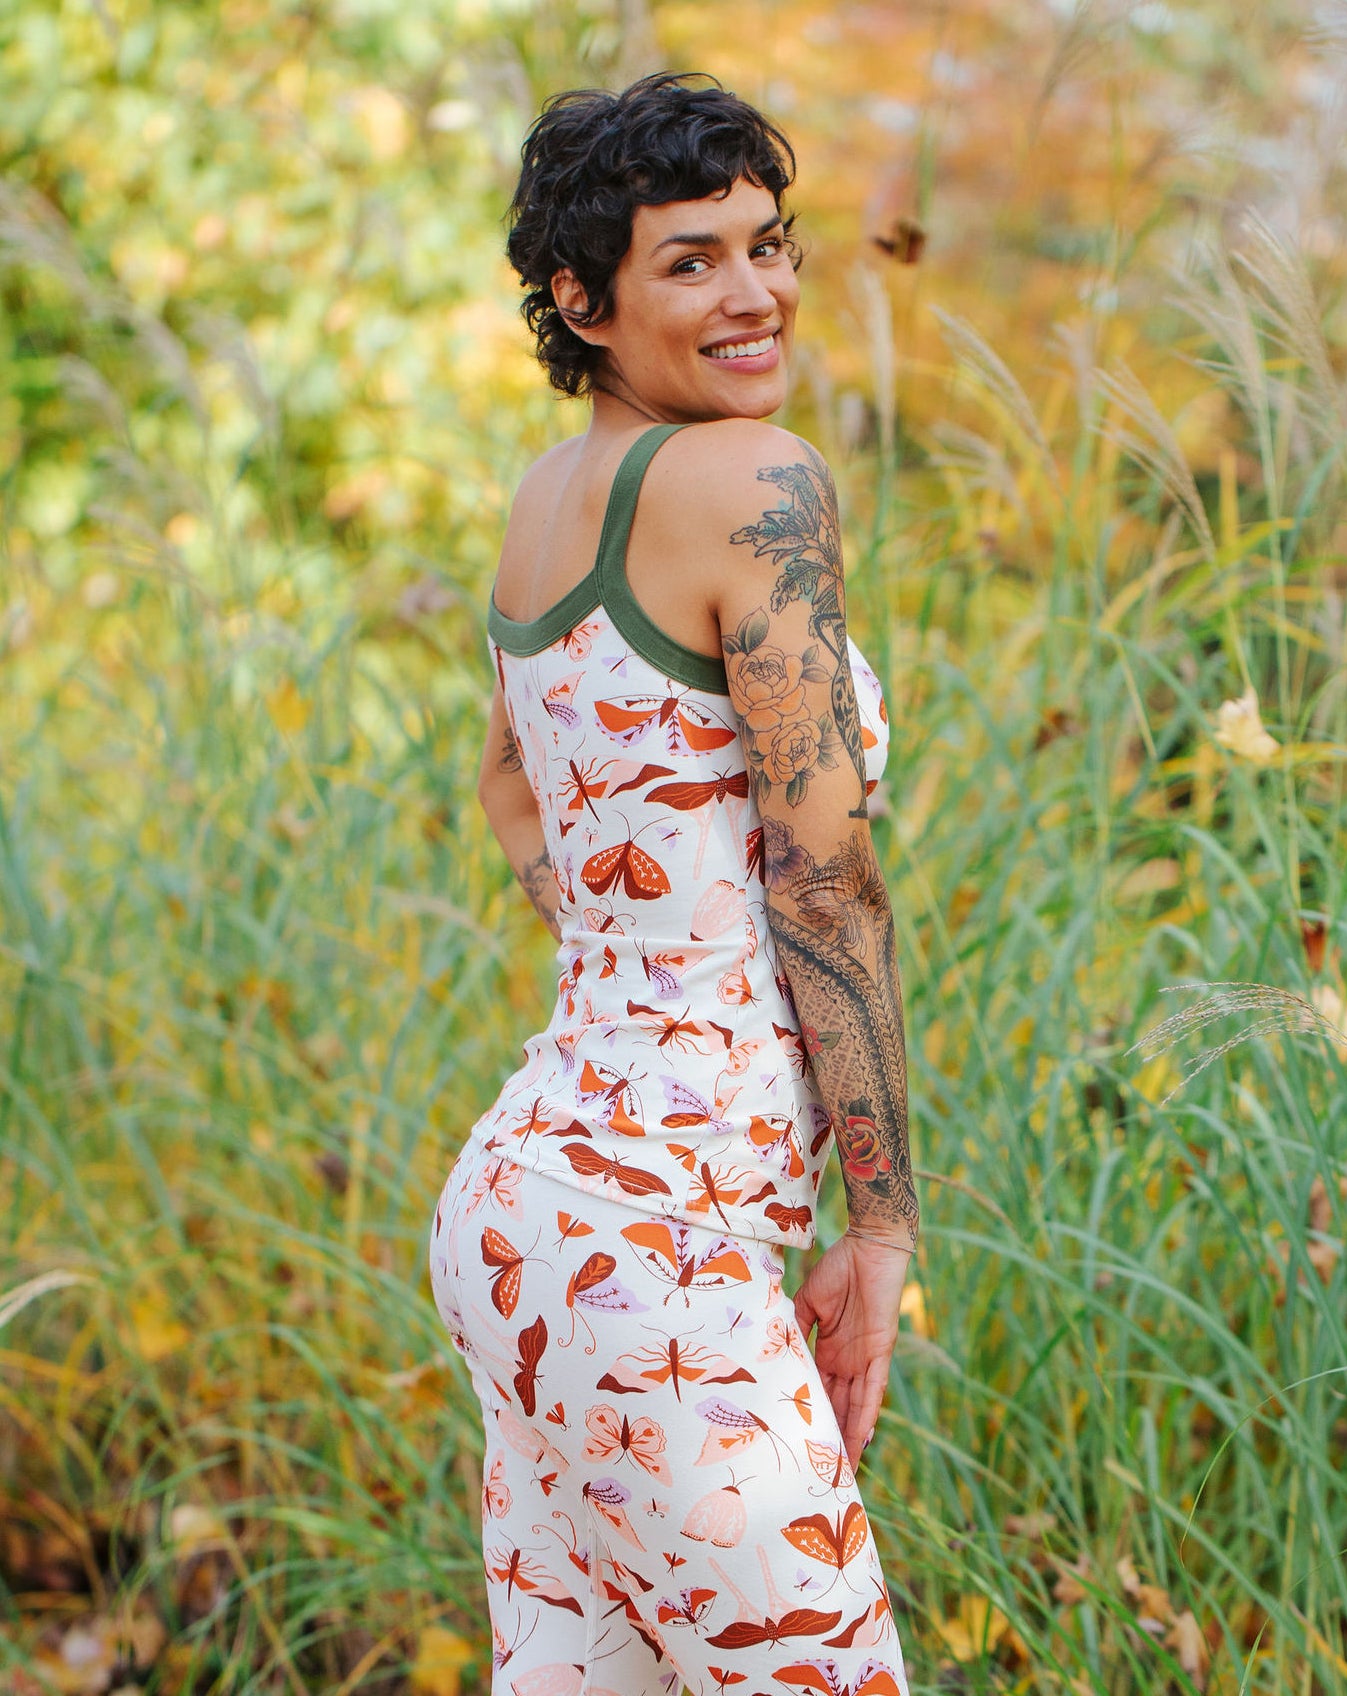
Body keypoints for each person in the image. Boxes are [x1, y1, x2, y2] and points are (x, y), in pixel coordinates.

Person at [428, 71, 919, 1696]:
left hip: (530, 1219)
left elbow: (511, 791)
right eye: (690, 261)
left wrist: (642, 957)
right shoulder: (747, 478)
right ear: (579, 297)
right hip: (653, 1253)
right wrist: (881, 1220)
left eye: (768, 246)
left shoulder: (542, 506)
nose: (756, 291)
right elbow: (827, 881)